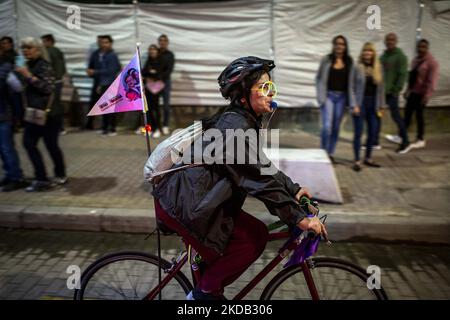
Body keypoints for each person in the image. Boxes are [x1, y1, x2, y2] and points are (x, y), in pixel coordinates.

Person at [152, 56, 327, 300]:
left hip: (198, 202)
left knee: (254, 233)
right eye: (265, 87)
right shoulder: (234, 127)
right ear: (245, 94)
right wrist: (298, 218)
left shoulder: (242, 122)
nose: (271, 93)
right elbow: (258, 180)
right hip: (185, 207)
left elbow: (262, 167)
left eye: (272, 87)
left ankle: (207, 287)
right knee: (251, 240)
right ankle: (204, 294)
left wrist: (293, 189)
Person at [15, 37, 67, 192]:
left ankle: (59, 174)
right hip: (34, 113)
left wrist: (28, 75)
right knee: (29, 143)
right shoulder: (28, 65)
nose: (25, 51)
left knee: (51, 145)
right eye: (23, 48)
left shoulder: (44, 65)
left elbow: (48, 88)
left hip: (49, 114)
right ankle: (41, 177)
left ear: (38, 50)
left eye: (29, 47)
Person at [316, 35, 358, 163]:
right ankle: (323, 151)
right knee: (327, 126)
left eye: (342, 44)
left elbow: (352, 82)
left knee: (335, 127)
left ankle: (331, 152)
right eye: (337, 44)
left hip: (342, 98)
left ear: (345, 47)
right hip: (328, 96)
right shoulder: (326, 60)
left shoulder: (349, 61)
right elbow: (319, 78)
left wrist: (353, 102)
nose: (339, 46)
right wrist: (320, 95)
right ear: (333, 45)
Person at [352, 43, 385, 171]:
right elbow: (351, 87)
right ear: (362, 53)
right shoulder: (357, 67)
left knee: (373, 132)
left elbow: (382, 88)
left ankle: (368, 158)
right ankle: (357, 160)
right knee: (358, 134)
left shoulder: (379, 67)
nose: (367, 53)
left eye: (370, 51)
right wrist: (354, 104)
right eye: (365, 51)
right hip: (360, 104)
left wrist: (382, 105)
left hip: (374, 104)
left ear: (373, 53)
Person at [403, 39, 439, 150]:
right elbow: (412, 77)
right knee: (407, 114)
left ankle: (420, 138)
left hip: (422, 94)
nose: (420, 49)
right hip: (413, 92)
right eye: (419, 46)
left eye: (423, 47)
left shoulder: (432, 62)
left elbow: (432, 81)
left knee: (419, 116)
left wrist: (427, 95)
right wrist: (408, 90)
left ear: (427, 48)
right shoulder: (415, 60)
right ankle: (402, 135)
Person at [0, 52, 27, 191]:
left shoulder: (5, 70)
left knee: (7, 148)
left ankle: (17, 177)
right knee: (2, 149)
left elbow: (18, 88)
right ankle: (9, 174)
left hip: (4, 115)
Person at [380, 33, 410, 153]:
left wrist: (396, 90)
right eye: (387, 40)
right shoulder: (383, 56)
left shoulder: (400, 56)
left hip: (392, 93)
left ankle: (406, 141)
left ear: (396, 41)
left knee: (396, 117)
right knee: (376, 115)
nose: (389, 42)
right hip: (382, 92)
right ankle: (374, 141)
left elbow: (403, 75)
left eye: (392, 40)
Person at [86, 35, 121, 136]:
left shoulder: (112, 55)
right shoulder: (97, 54)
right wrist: (90, 72)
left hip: (109, 83)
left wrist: (95, 72)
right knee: (103, 107)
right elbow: (92, 66)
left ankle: (112, 128)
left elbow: (112, 70)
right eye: (102, 42)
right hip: (99, 83)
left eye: (106, 42)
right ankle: (105, 127)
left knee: (110, 106)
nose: (104, 44)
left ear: (110, 43)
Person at [41, 34, 67, 135]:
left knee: (52, 105)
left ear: (49, 41)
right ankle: (60, 127)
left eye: (44, 41)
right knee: (56, 104)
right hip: (58, 81)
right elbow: (62, 67)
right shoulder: (58, 51)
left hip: (53, 81)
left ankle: (58, 127)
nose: (42, 44)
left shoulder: (49, 52)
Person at [140, 44, 163, 138]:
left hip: (156, 89)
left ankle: (157, 129)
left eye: (154, 50)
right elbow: (144, 72)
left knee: (155, 109)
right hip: (148, 88)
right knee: (147, 109)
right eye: (150, 50)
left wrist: (151, 75)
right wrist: (149, 75)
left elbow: (160, 74)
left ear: (157, 51)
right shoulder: (149, 61)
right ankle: (149, 129)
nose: (152, 52)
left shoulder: (160, 61)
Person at [158, 34, 175, 136]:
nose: (162, 42)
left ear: (167, 42)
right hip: (154, 83)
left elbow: (169, 70)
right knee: (153, 105)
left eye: (164, 41)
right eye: (161, 41)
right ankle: (155, 126)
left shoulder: (170, 55)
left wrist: (158, 76)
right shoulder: (155, 52)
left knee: (166, 105)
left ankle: (165, 125)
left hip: (165, 82)